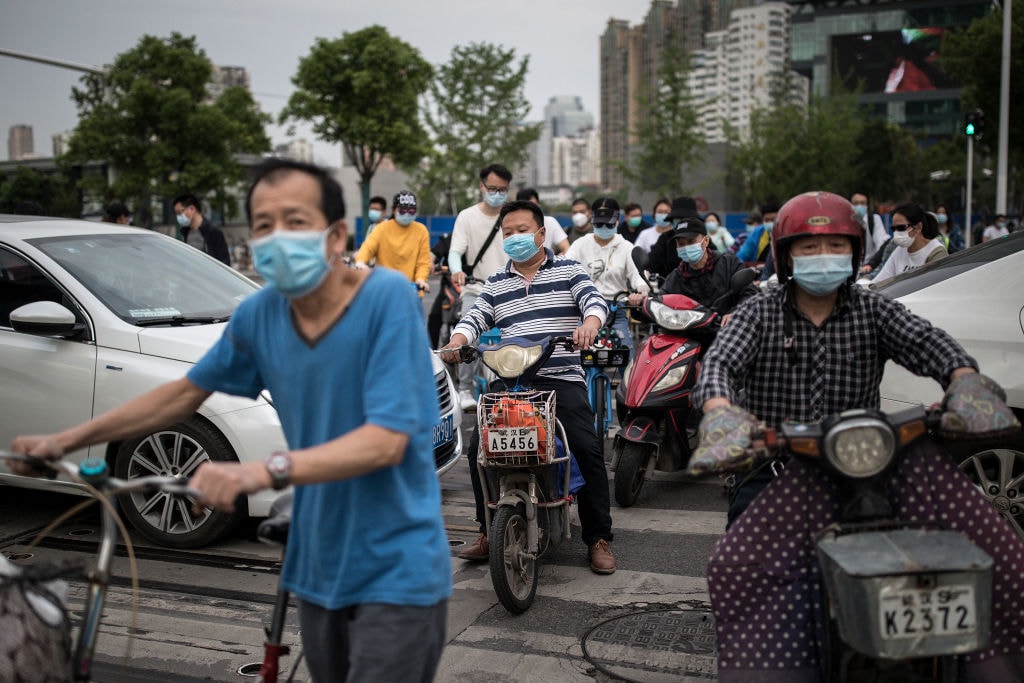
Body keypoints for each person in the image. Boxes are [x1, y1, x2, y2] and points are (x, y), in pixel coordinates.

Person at [10, 158, 451, 682]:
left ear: (336, 236)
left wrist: (256, 472)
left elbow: (388, 441)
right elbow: (182, 393)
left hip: (396, 565)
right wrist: (66, 440)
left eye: (295, 221)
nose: (276, 237)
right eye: (264, 225)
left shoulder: (386, 298)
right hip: (314, 565)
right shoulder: (259, 315)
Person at [686, 190, 1022, 681]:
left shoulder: (873, 309)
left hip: (872, 464)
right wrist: (719, 411)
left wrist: (963, 380)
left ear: (855, 252)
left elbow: (927, 341)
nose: (823, 258)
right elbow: (719, 363)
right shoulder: (759, 312)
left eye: (836, 247)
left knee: (983, 549)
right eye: (808, 248)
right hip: (780, 468)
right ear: (785, 255)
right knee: (740, 568)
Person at [439, 199, 617, 574]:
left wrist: (590, 324)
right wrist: (458, 341)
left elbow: (594, 301)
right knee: (478, 448)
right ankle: (489, 531)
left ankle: (598, 537)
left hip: (560, 377)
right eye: (508, 233)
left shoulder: (568, 269)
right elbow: (474, 317)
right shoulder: (496, 282)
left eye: (522, 231)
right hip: (513, 379)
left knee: (585, 446)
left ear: (540, 234)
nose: (515, 238)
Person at [449, 163, 514, 410]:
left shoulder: (512, 215)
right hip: (476, 290)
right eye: (493, 188)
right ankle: (464, 388)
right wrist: (457, 270)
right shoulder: (467, 216)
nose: (497, 193)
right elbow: (456, 251)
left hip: (509, 289)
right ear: (481, 187)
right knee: (466, 331)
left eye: (503, 189)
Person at [565, 197, 649, 356]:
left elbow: (637, 275)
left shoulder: (626, 247)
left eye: (608, 224)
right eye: (599, 224)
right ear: (592, 221)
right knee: (574, 355)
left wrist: (641, 290)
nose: (603, 227)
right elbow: (566, 268)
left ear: (617, 221)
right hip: (584, 307)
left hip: (616, 307)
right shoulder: (580, 244)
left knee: (627, 355)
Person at [661, 205, 756, 311]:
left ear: (706, 241)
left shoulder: (729, 264)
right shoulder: (676, 276)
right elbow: (661, 301)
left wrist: (735, 313)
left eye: (691, 242)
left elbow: (749, 294)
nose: (686, 247)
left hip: (727, 326)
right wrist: (642, 300)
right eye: (681, 244)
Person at [353, 190, 432, 292]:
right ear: (394, 210)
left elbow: (423, 262)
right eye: (402, 211)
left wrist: (421, 279)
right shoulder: (382, 228)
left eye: (411, 211)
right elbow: (368, 247)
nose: (407, 214)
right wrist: (360, 262)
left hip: (411, 290)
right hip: (384, 288)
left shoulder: (421, 231)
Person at [871, 202, 947, 283]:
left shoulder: (936, 252)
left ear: (918, 227)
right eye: (893, 229)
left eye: (901, 228)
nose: (896, 233)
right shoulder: (900, 250)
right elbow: (880, 281)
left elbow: (931, 286)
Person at [173, 193, 231, 265]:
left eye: (180, 212)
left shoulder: (212, 231)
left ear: (192, 209)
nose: (179, 217)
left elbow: (224, 261)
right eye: (177, 214)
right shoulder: (185, 232)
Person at [515, 187, 570, 254]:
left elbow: (566, 248)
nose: (529, 209)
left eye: (532, 205)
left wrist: (556, 261)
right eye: (525, 207)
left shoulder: (550, 222)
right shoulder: (513, 226)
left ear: (539, 205)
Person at [643, 197, 687, 277]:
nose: (663, 215)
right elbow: (651, 261)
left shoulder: (699, 237)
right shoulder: (664, 238)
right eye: (660, 212)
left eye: (666, 212)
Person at [849, 192, 890, 263]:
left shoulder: (874, 220)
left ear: (866, 206)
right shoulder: (846, 221)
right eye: (856, 203)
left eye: (862, 203)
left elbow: (881, 242)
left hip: (868, 265)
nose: (859, 206)